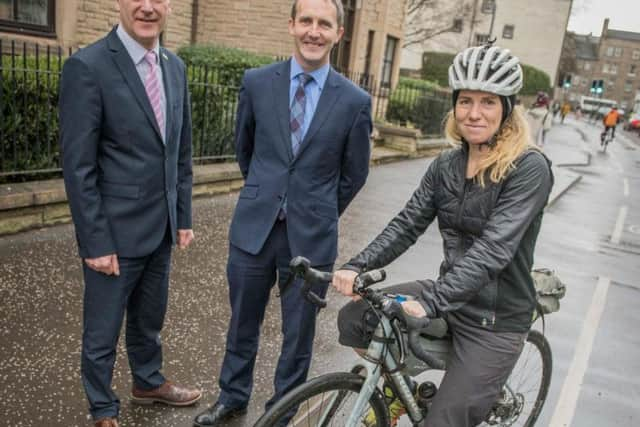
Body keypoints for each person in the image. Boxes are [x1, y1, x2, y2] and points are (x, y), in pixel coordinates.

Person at [332, 44, 554, 427]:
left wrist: (433, 301)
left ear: (507, 107)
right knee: (356, 318)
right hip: (448, 297)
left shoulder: (529, 168)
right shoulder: (447, 163)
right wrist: (357, 266)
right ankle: (399, 389)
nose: (473, 112)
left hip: (495, 320)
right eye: (465, 100)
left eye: (487, 102)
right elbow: (408, 223)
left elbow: (492, 250)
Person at [193, 0, 372, 425]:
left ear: (338, 34)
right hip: (255, 228)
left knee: (298, 337)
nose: (314, 31)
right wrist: (266, 193)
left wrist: (318, 208)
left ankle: (282, 410)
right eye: (306, 21)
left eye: (324, 24)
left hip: (311, 236)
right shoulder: (257, 82)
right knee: (242, 324)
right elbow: (246, 149)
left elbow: (354, 174)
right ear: (292, 25)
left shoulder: (354, 101)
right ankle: (232, 397)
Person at [59, 1, 200, 426]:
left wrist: (184, 216)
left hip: (160, 229)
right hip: (113, 234)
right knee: (102, 331)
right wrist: (95, 241)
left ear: (169, 6)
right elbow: (78, 166)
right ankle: (103, 408)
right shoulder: (88, 66)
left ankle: (147, 381)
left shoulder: (174, 68)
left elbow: (181, 152)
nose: (147, 6)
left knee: (149, 318)